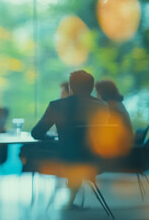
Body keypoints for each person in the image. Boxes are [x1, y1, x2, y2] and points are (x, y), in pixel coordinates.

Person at [30, 70, 109, 208]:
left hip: (65, 161)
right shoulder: (102, 106)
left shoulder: (57, 105)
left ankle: (67, 202)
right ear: (91, 88)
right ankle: (70, 202)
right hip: (96, 160)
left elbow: (36, 133)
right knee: (78, 155)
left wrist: (51, 137)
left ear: (71, 88)